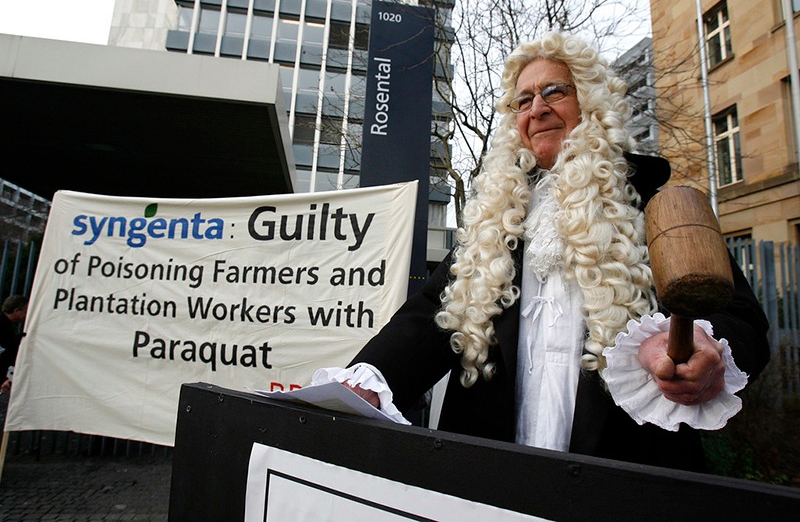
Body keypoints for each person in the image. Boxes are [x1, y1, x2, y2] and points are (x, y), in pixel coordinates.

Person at [314, 32, 770, 471]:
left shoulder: (654, 205)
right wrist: (368, 380)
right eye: (523, 100)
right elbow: (432, 315)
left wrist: (707, 349)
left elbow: (739, 317)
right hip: (494, 465)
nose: (537, 109)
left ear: (591, 101)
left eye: (554, 91)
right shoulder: (497, 218)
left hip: (625, 469)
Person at [0, 295, 28, 396]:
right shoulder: (4, 326)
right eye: (25, 311)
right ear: (16, 311)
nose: (26, 315)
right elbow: (5, 352)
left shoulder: (5, 324)